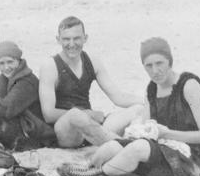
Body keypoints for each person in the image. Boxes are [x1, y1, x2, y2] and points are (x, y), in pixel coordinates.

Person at [57, 38, 200, 176]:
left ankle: (96, 174)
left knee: (138, 147)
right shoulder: (152, 89)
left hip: (193, 159)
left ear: (170, 61)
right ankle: (87, 166)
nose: (155, 70)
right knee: (113, 146)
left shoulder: (188, 86)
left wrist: (166, 134)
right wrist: (139, 129)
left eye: (160, 63)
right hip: (162, 148)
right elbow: (145, 127)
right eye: (149, 65)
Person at [38, 16, 143, 148]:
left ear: (85, 38)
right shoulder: (50, 66)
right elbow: (48, 114)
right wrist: (87, 114)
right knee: (75, 114)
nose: (71, 44)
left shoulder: (92, 60)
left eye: (76, 38)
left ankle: (118, 141)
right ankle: (124, 145)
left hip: (92, 127)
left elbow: (118, 97)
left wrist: (151, 102)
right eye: (66, 39)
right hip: (67, 131)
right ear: (58, 40)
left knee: (138, 108)